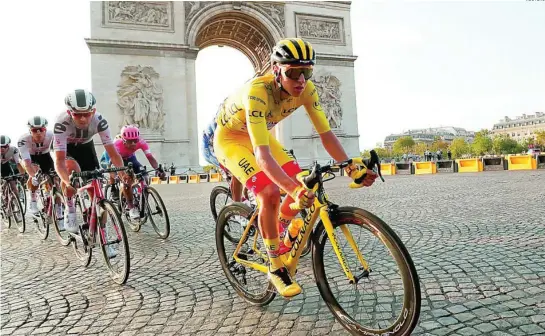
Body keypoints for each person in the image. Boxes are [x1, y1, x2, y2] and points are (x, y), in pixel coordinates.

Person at [212, 38, 378, 298]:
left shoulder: (308, 90)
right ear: (276, 70)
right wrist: (291, 189)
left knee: (302, 182)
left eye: (307, 71)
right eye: (293, 72)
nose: (301, 79)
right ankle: (275, 264)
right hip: (230, 140)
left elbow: (326, 134)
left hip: (260, 136)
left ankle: (282, 226)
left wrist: (349, 165)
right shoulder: (257, 92)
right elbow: (263, 156)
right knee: (268, 192)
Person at [52, 89, 127, 235]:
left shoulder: (100, 121)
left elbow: (113, 154)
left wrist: (123, 174)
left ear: (93, 111)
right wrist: (67, 183)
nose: (82, 119)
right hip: (66, 149)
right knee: (71, 168)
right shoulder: (61, 123)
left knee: (97, 193)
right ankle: (70, 208)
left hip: (86, 147)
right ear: (69, 113)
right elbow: (60, 161)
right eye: (77, 115)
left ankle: (103, 235)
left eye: (86, 114)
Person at [100, 125, 164, 219]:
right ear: (124, 140)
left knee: (145, 177)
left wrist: (158, 169)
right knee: (125, 181)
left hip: (129, 158)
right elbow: (112, 165)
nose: (133, 144)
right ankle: (128, 204)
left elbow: (150, 157)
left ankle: (142, 197)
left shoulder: (141, 142)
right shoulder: (116, 145)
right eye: (130, 141)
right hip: (110, 159)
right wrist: (118, 176)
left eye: (135, 140)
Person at [201, 110, 245, 203]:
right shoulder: (227, 116)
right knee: (236, 170)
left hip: (229, 142)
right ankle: (237, 207)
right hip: (211, 147)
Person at [17, 116, 55, 214]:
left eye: (41, 130)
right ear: (30, 131)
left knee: (54, 177)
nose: (38, 133)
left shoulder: (52, 135)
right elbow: (27, 162)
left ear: (45, 130)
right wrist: (32, 176)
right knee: (34, 173)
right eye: (34, 130)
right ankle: (33, 201)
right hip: (30, 156)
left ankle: (50, 196)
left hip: (45, 155)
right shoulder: (23, 140)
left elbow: (57, 153)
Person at [1, 135, 25, 200]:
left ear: (8, 145)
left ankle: (17, 198)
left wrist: (22, 174)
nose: (2, 148)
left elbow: (18, 163)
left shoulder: (14, 149)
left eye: (5, 146)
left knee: (13, 181)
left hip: (6, 164)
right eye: (0, 147)